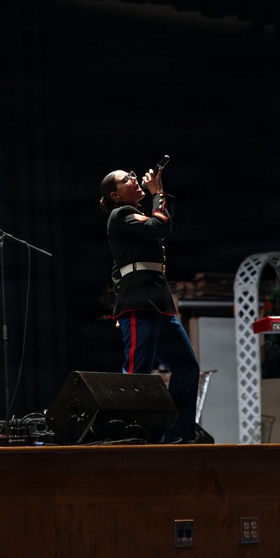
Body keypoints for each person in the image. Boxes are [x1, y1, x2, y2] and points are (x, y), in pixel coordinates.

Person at [99, 164, 201, 444]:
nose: (133, 177)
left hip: (156, 302)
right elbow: (161, 227)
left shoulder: (132, 213)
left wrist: (159, 195)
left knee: (187, 367)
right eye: (126, 178)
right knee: (136, 372)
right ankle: (130, 437)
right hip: (137, 301)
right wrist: (158, 194)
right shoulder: (120, 215)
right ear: (116, 195)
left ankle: (179, 434)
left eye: (132, 174)